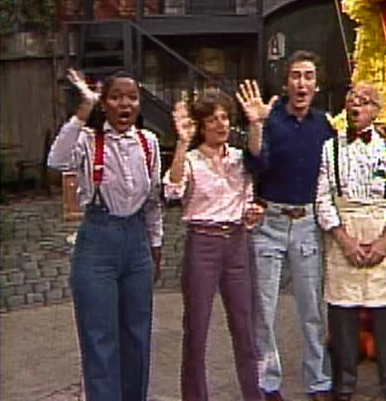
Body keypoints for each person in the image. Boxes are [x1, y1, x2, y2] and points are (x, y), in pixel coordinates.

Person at [48, 69, 163, 401]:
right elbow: (56, 161)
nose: (124, 104)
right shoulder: (88, 140)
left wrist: (155, 247)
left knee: (137, 336)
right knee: (99, 339)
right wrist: (83, 107)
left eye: (132, 98)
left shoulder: (149, 143)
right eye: (115, 97)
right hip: (97, 241)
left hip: (137, 242)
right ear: (104, 104)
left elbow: (153, 202)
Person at [164, 86, 272, 401]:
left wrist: (253, 211)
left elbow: (258, 166)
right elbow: (172, 191)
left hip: (237, 242)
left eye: (225, 117)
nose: (221, 124)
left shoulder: (239, 158)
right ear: (201, 125)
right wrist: (181, 143)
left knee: (244, 327)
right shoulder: (191, 160)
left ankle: (253, 395)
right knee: (196, 328)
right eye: (212, 119)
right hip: (203, 243)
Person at [244, 50, 333, 401]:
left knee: (311, 308)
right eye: (295, 76)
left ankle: (318, 380)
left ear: (316, 84)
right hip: (270, 222)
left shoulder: (325, 125)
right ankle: (267, 381)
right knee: (264, 308)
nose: (302, 83)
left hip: (307, 222)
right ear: (285, 83)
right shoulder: (270, 119)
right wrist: (256, 125)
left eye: (308, 76)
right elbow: (256, 165)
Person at [315, 82, 386, 401]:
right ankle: (344, 383)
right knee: (342, 312)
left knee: (385, 312)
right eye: (352, 100)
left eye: (365, 101)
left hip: (381, 232)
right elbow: (322, 199)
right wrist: (343, 239)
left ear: (377, 110)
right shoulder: (330, 148)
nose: (356, 106)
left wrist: (385, 239)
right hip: (344, 232)